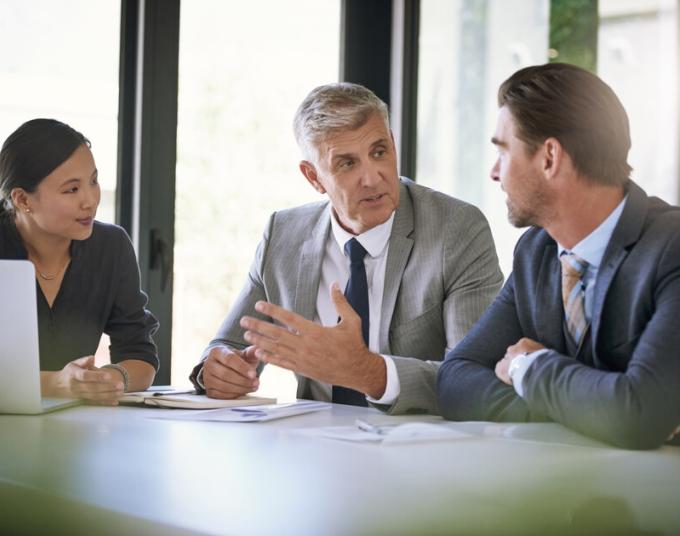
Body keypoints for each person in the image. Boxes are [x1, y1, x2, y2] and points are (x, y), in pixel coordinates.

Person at [189, 82, 503, 414]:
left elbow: (474, 379)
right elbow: (228, 346)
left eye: (379, 152)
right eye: (347, 164)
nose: (372, 178)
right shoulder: (282, 235)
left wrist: (369, 373)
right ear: (314, 177)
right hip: (317, 448)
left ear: (393, 145)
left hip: (419, 450)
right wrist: (219, 369)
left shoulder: (456, 228)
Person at [436, 63, 680, 449]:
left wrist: (527, 368)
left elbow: (640, 415)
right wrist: (586, 411)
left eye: (503, 151)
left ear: (549, 157)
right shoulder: (536, 252)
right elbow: (454, 379)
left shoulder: (672, 249)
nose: (494, 172)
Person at [0, 118, 159, 405]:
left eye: (94, 181)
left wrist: (112, 378)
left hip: (74, 432)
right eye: (71, 190)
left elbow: (140, 354)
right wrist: (55, 383)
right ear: (23, 199)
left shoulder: (111, 247)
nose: (90, 201)